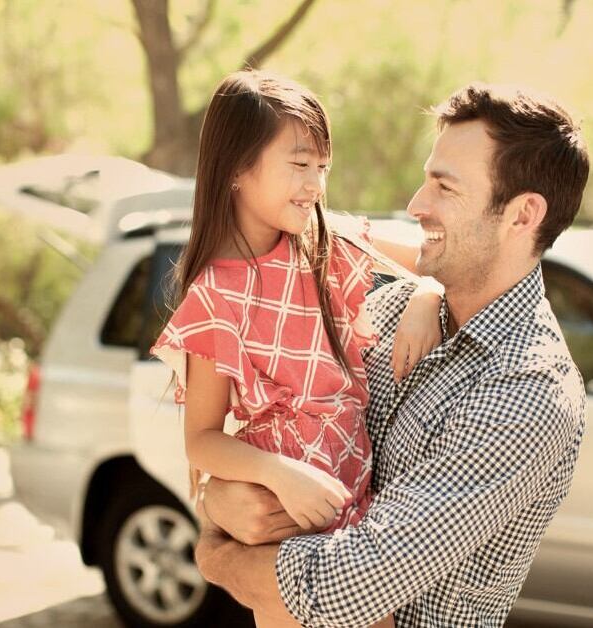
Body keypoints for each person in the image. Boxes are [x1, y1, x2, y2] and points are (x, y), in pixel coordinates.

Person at [194, 82, 591, 627]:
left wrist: (218, 555)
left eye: (444, 188)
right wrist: (219, 501)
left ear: (522, 216)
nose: (414, 205)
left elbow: (349, 585)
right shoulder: (383, 313)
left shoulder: (527, 390)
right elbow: (264, 437)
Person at [149, 70, 445, 627]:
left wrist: (426, 297)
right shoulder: (215, 295)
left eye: (322, 168)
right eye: (299, 165)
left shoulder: (328, 240)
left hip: (358, 516)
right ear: (237, 167)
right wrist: (283, 475)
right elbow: (203, 439)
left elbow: (435, 260)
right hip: (286, 531)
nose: (314, 184)